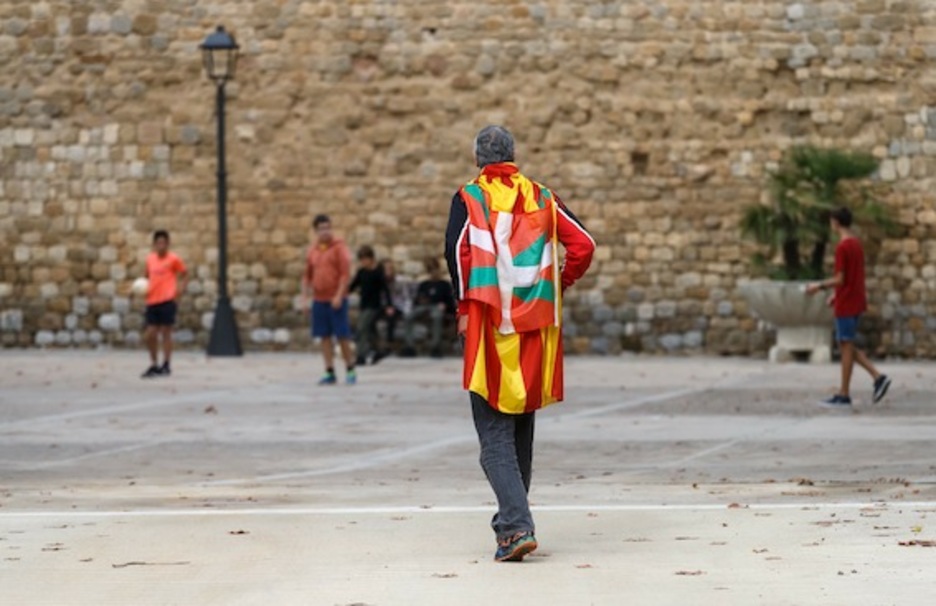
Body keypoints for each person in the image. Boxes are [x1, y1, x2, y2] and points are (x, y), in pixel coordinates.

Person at [444, 125, 595, 562]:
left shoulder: (469, 197)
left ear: (478, 159)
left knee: (493, 433)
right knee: (519, 430)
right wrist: (560, 284)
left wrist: (462, 307)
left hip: (490, 325)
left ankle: (514, 526)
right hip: (535, 328)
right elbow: (583, 245)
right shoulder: (543, 197)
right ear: (514, 155)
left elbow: (455, 255)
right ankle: (514, 520)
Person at [806, 207, 891, 408]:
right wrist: (836, 296)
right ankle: (875, 379)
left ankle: (848, 392)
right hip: (854, 300)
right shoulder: (856, 245)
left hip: (847, 304)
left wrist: (818, 286)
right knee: (847, 346)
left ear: (835, 222)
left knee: (846, 346)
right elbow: (854, 278)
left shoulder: (843, 247)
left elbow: (840, 278)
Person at [303, 214, 356, 385]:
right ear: (316, 231)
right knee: (323, 336)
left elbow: (344, 274)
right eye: (321, 229)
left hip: (336, 299)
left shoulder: (339, 248)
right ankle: (329, 371)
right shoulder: (313, 251)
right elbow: (307, 276)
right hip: (319, 299)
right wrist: (305, 298)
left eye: (328, 228)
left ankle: (350, 368)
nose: (325, 232)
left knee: (342, 335)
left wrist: (339, 295)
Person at [141, 230, 188, 378]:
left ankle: (166, 364)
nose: (161, 246)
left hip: (167, 300)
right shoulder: (150, 259)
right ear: (154, 245)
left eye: (164, 243)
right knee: (151, 334)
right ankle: (154, 364)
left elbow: (184, 274)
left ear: (167, 244)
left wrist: (179, 291)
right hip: (152, 300)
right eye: (158, 243)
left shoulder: (174, 259)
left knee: (166, 333)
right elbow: (146, 277)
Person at [399, 257, 455, 358]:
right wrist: (421, 300)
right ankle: (410, 346)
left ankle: (435, 347)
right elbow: (417, 299)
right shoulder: (424, 284)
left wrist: (444, 305)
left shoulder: (444, 285)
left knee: (436, 316)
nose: (433, 273)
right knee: (408, 316)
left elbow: (449, 301)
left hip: (437, 307)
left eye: (435, 270)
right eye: (431, 271)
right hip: (424, 306)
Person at [349, 246, 393, 365]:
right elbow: (353, 286)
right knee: (370, 330)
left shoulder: (378, 272)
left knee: (361, 328)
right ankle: (379, 351)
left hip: (374, 306)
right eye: (361, 260)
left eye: (365, 259)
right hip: (364, 305)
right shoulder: (361, 272)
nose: (363, 262)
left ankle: (361, 355)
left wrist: (389, 305)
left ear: (371, 259)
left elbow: (385, 289)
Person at [378, 258, 413, 348]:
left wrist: (407, 311)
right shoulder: (380, 282)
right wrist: (386, 307)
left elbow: (406, 298)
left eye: (390, 269)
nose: (388, 272)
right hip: (384, 306)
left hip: (399, 307)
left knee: (392, 317)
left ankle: (391, 343)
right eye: (386, 269)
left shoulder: (400, 281)